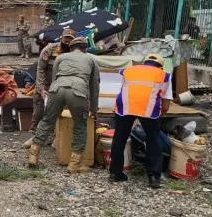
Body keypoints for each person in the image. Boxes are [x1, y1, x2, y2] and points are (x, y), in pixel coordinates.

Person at [28, 37, 100, 174]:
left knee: (47, 121)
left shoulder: (61, 58)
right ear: (85, 48)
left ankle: (33, 156)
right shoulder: (92, 60)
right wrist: (94, 109)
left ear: (71, 48)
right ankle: (74, 165)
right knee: (80, 126)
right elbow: (94, 86)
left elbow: (55, 78)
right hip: (78, 91)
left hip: (56, 89)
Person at [109, 54, 172, 188]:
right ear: (160, 66)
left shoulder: (129, 70)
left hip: (125, 106)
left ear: (144, 63)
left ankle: (115, 173)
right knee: (153, 139)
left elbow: (122, 89)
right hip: (149, 109)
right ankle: (154, 177)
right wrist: (159, 117)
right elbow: (166, 104)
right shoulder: (163, 74)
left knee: (119, 138)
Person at [22, 28, 76, 149]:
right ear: (61, 38)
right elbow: (40, 69)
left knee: (59, 112)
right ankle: (34, 136)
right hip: (45, 83)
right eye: (66, 39)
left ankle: (56, 137)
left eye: (70, 40)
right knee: (38, 111)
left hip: (61, 86)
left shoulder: (74, 54)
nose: (67, 42)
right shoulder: (50, 49)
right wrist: (41, 88)